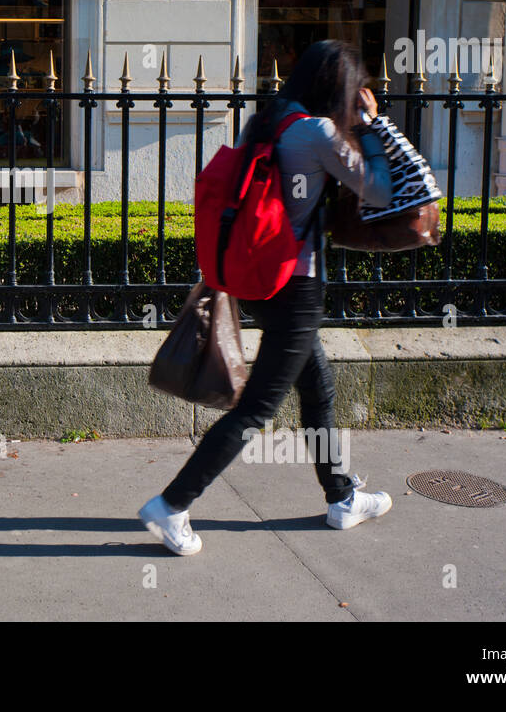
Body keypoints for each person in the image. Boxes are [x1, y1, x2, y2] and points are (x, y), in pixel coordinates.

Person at [140, 40, 395, 556]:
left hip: (262, 281)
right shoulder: (320, 132)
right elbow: (381, 191)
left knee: (318, 386)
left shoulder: (270, 122)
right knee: (256, 408)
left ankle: (341, 498)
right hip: (297, 287)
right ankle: (171, 505)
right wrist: (370, 123)